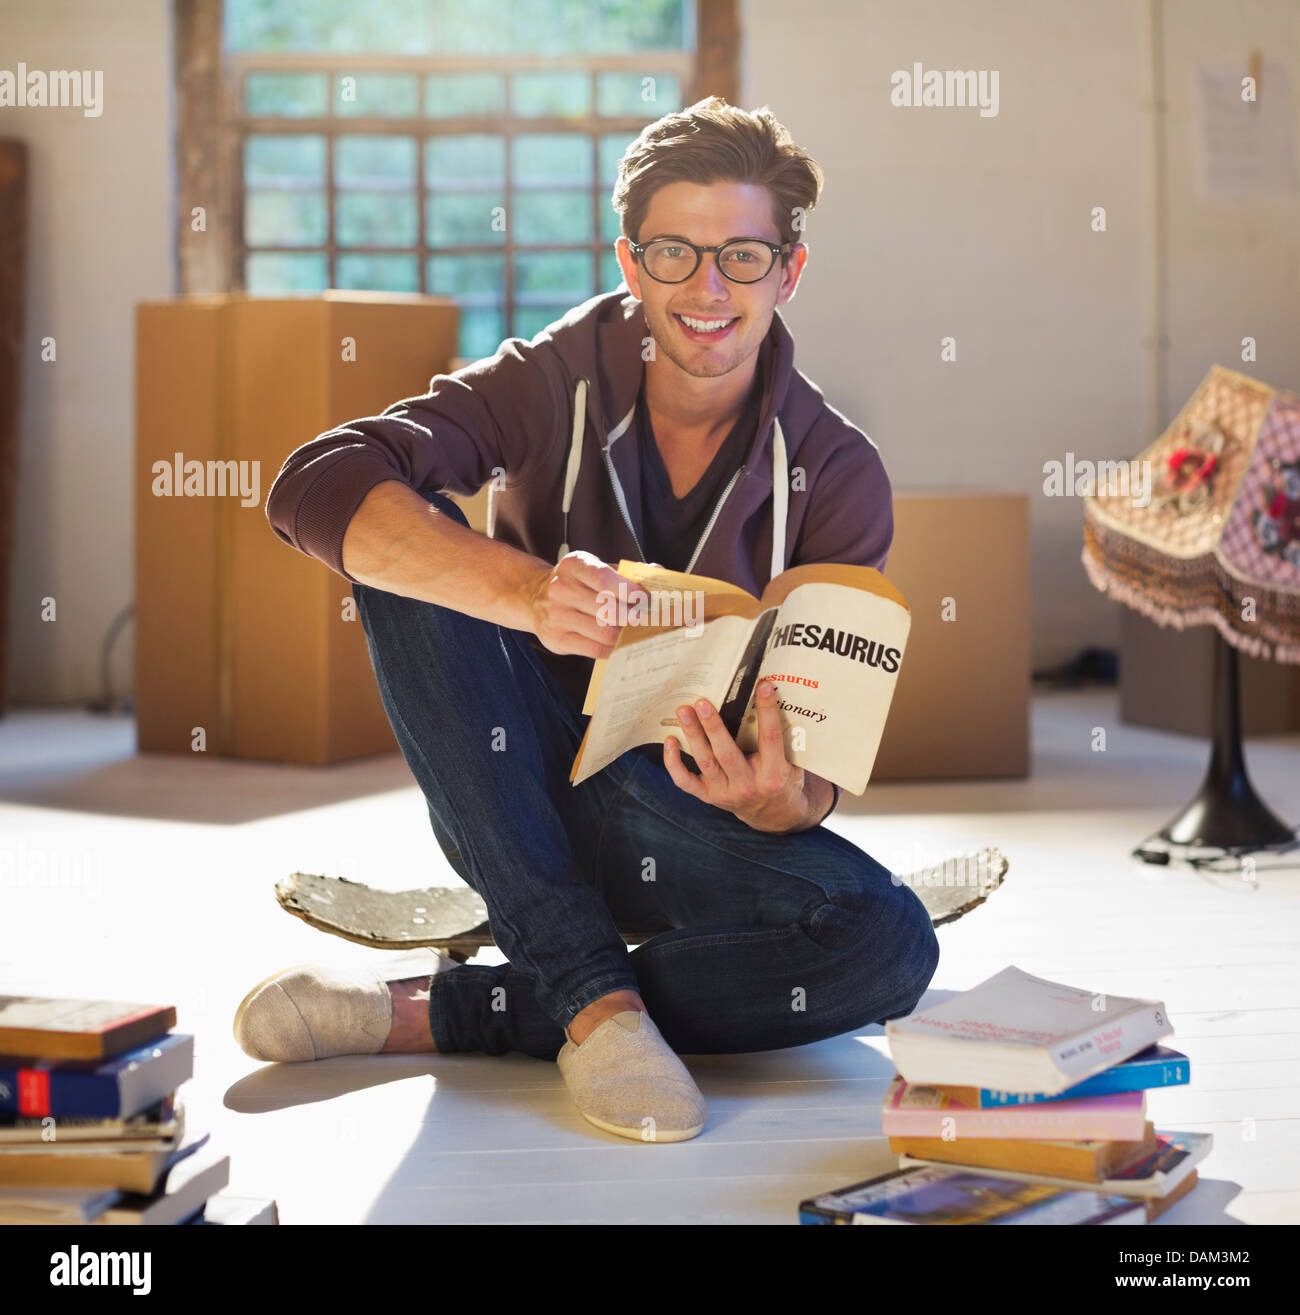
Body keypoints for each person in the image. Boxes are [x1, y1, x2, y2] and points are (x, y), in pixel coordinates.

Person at [233, 97, 939, 1144]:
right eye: (673, 253)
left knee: (888, 945)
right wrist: (521, 591)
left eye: (742, 256)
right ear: (628, 260)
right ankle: (600, 1007)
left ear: (788, 271)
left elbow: (818, 767)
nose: (706, 289)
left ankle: (446, 1010)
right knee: (407, 548)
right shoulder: (548, 380)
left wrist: (780, 802)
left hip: (678, 814)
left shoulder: (838, 473)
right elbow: (313, 484)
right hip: (512, 782)